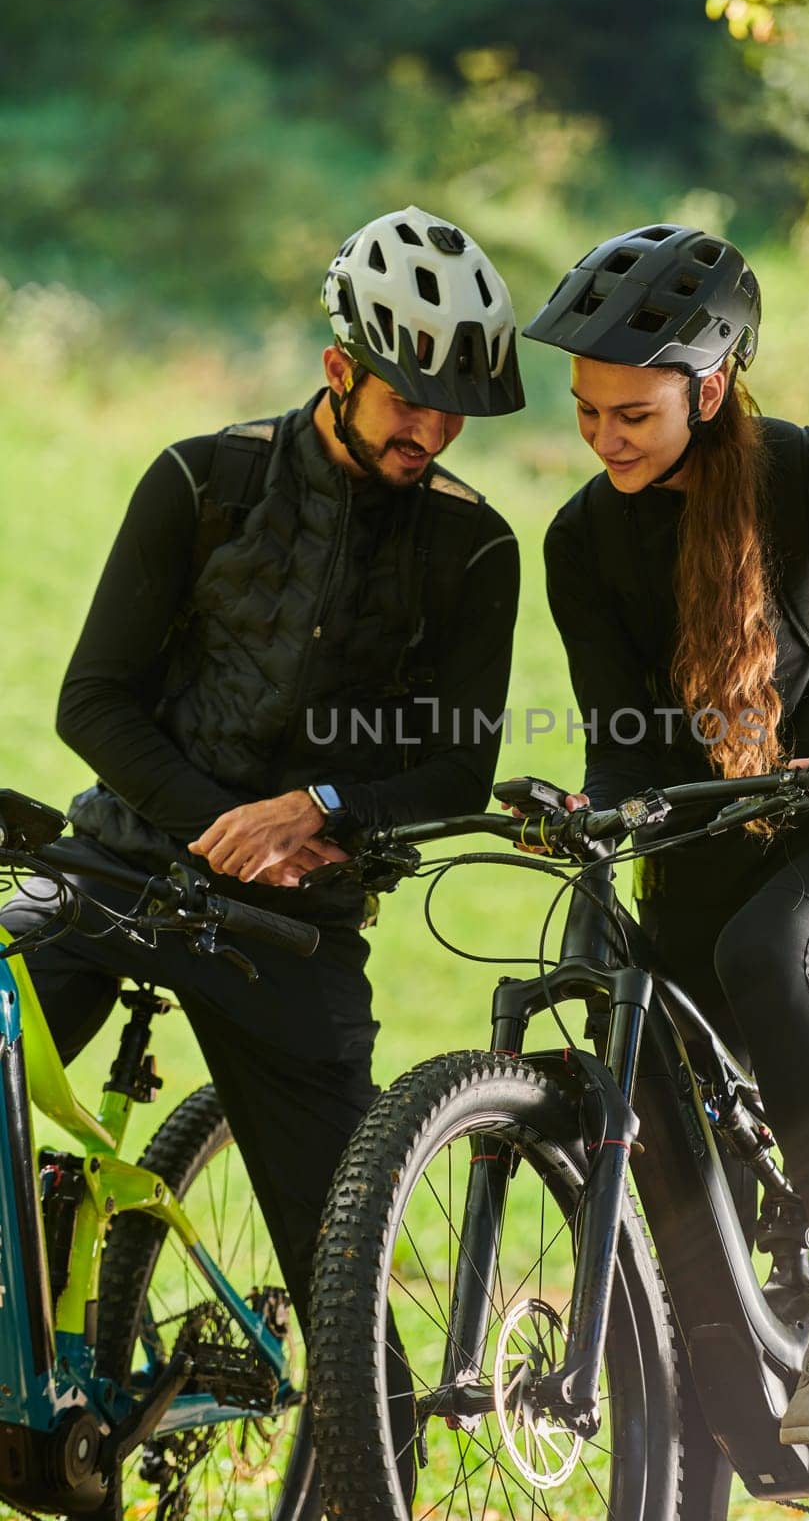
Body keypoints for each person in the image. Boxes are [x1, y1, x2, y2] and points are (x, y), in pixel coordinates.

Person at [1, 204, 523, 1328]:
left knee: (345, 1284)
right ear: (340, 367)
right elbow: (93, 701)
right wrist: (219, 825)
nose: (431, 431)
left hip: (294, 928)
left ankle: (363, 1478)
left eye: (455, 411)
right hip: (118, 871)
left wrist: (320, 808)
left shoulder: (476, 547)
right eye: (408, 398)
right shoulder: (201, 481)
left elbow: (460, 768)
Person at [521, 223, 809, 1451]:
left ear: (707, 386)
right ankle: (711, 1355)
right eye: (587, 412)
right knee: (621, 999)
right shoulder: (581, 539)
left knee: (764, 955)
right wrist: (591, 810)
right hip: (695, 852)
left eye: (630, 413)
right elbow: (620, 734)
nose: (602, 439)